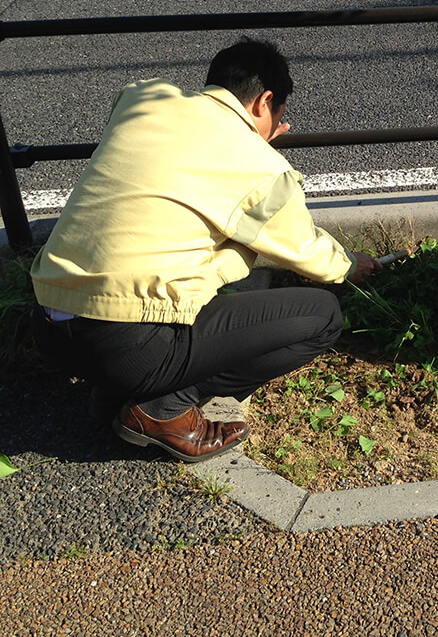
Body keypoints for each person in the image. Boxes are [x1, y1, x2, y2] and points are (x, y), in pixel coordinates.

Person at [31, 38, 382, 462]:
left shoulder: (141, 99)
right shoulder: (260, 164)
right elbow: (308, 254)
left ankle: (120, 390)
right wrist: (350, 265)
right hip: (126, 344)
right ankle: (164, 408)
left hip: (49, 324)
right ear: (264, 101)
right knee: (322, 316)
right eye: (279, 118)